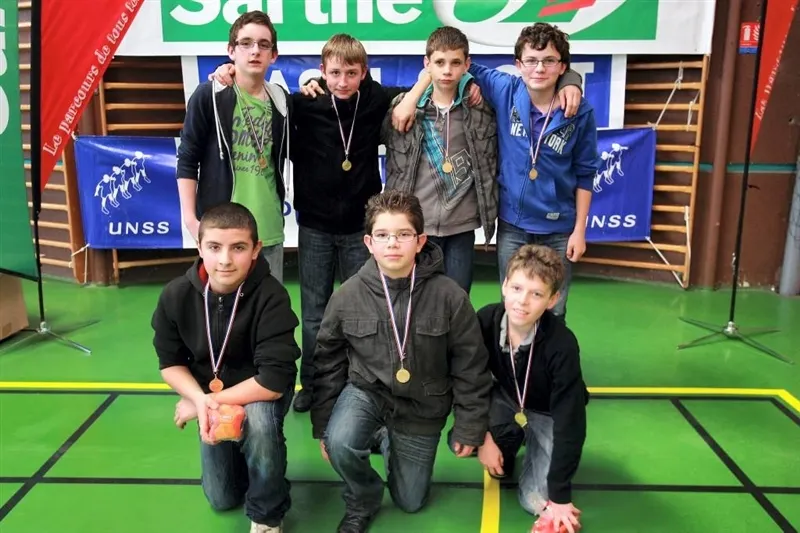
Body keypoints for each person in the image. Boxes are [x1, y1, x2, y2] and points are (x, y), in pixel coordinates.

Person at [212, 34, 480, 414]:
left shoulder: (375, 99)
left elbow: (429, 86)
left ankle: (360, 383)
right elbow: (256, 92)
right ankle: (313, 384)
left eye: (351, 73)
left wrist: (467, 84)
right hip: (315, 227)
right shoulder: (304, 104)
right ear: (322, 71)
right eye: (335, 73)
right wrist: (225, 73)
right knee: (314, 312)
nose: (342, 81)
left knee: (364, 312)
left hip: (360, 230)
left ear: (363, 73)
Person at [311, 190, 492, 533]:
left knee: (410, 501)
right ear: (369, 243)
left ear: (420, 241)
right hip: (368, 392)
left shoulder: (450, 296)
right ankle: (363, 497)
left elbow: (470, 365)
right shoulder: (347, 295)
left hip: (422, 404)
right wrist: (324, 426)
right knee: (340, 442)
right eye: (382, 235)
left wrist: (469, 425)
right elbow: (327, 363)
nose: (392, 243)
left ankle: (386, 437)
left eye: (403, 234)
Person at [152, 202, 301, 533]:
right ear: (199, 246)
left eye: (238, 248)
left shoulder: (272, 296)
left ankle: (268, 515)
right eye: (214, 247)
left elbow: (272, 381)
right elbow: (170, 363)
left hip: (258, 390)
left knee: (260, 422)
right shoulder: (176, 295)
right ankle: (258, 468)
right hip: (210, 395)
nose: (225, 260)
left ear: (256, 249)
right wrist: (199, 399)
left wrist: (204, 403)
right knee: (222, 498)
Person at [468, 23, 600, 319]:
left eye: (549, 61)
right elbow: (458, 62)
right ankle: (512, 352)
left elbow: (586, 173)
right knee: (514, 305)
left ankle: (548, 352)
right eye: (531, 60)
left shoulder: (580, 112)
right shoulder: (506, 90)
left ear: (562, 67)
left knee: (554, 308)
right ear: (518, 64)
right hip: (513, 225)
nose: (539, 68)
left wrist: (579, 231)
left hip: (559, 229)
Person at [473, 244, 588, 533]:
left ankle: (534, 445)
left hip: (548, 413)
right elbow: (467, 380)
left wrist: (560, 497)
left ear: (552, 300)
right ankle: (508, 445)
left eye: (536, 294)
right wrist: (482, 437)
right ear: (504, 286)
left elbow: (571, 422)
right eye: (517, 288)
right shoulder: (486, 320)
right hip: (509, 399)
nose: (522, 301)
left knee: (534, 500)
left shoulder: (562, 344)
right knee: (461, 441)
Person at [177, 11, 291, 283]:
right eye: (246, 43)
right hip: (222, 233)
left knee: (268, 306)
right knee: (221, 307)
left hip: (268, 230)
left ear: (273, 55)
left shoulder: (281, 100)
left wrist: (314, 85)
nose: (255, 51)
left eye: (264, 44)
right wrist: (191, 220)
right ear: (231, 51)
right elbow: (188, 158)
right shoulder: (210, 95)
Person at [382, 26, 497, 295]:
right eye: (439, 62)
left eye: (456, 63)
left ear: (467, 65)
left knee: (457, 301)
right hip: (415, 225)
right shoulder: (404, 107)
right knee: (414, 302)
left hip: (461, 226)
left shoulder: (481, 107)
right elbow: (359, 101)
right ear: (427, 64)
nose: (447, 71)